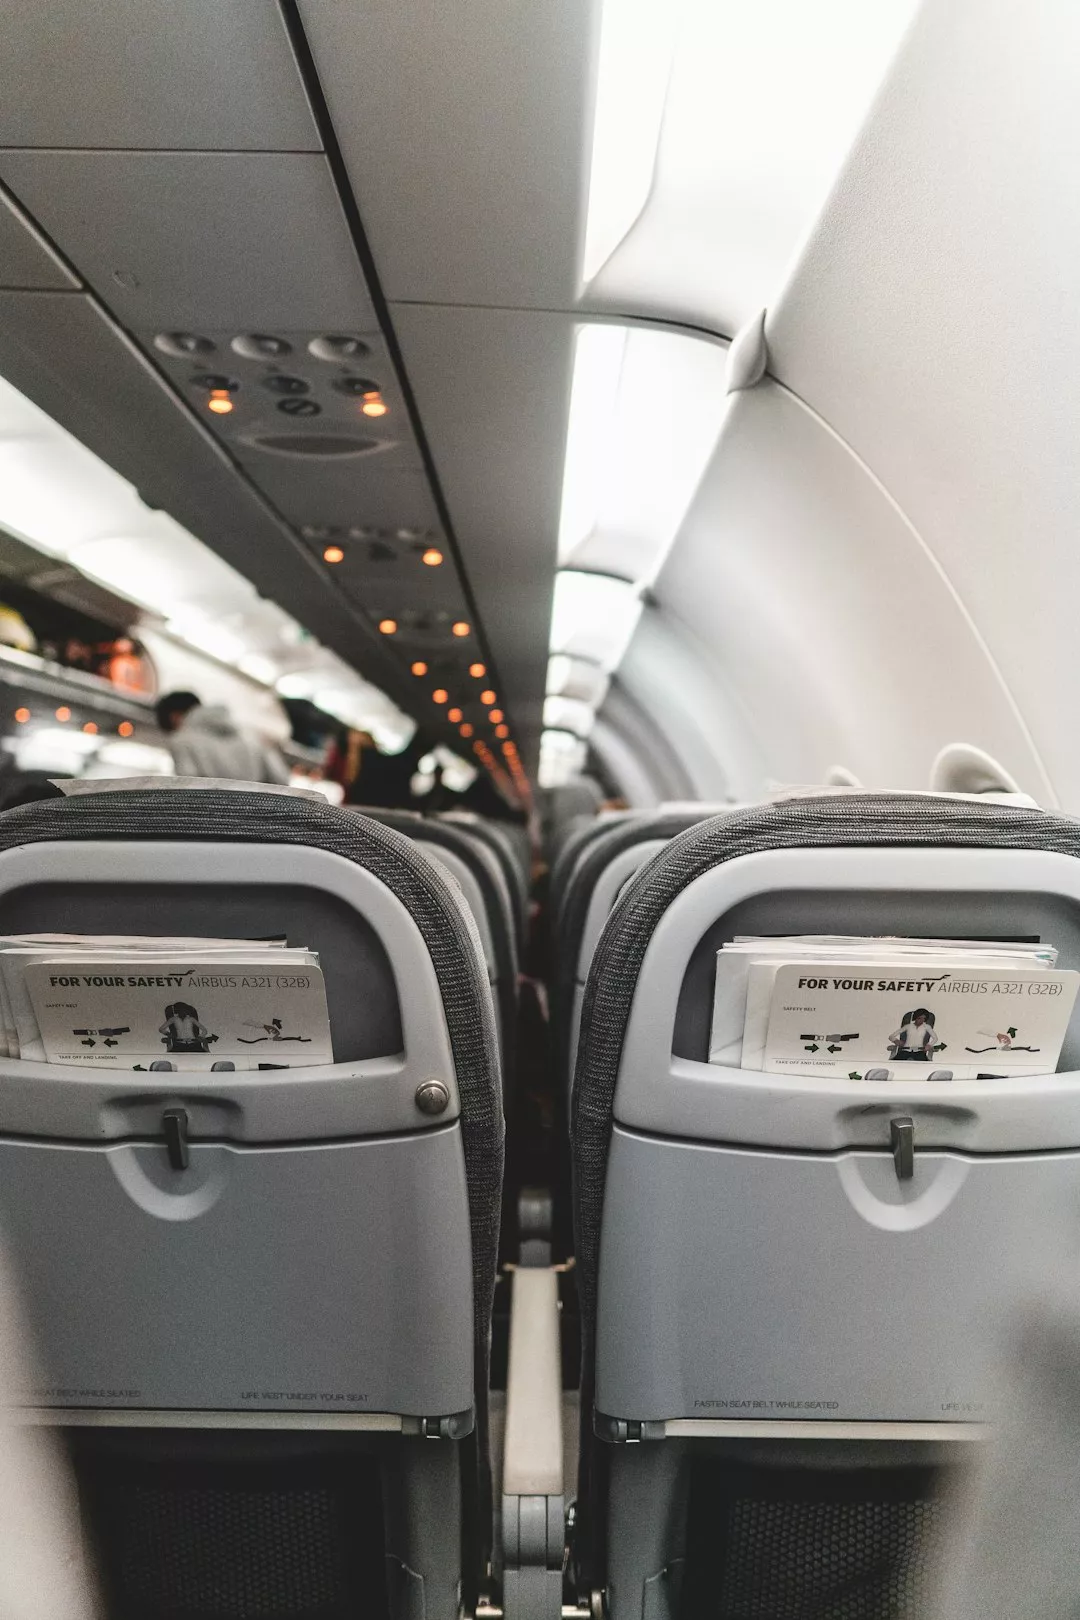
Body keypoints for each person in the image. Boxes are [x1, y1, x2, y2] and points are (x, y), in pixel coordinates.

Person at [155, 691, 290, 785]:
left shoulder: (181, 740)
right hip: (253, 813)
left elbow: (187, 787)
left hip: (212, 815)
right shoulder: (250, 736)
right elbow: (280, 779)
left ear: (174, 717)